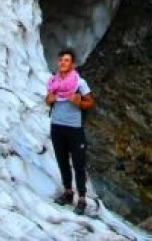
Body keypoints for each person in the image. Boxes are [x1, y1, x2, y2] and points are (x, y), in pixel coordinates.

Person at [46, 48, 95, 215]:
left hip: (74, 128)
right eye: (61, 60)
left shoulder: (79, 83)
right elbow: (49, 100)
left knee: (79, 164)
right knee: (62, 161)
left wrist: (79, 101)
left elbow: (90, 103)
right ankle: (68, 192)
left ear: (72, 64)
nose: (62, 63)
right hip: (57, 127)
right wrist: (49, 99)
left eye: (66, 60)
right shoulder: (53, 82)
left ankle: (81, 199)